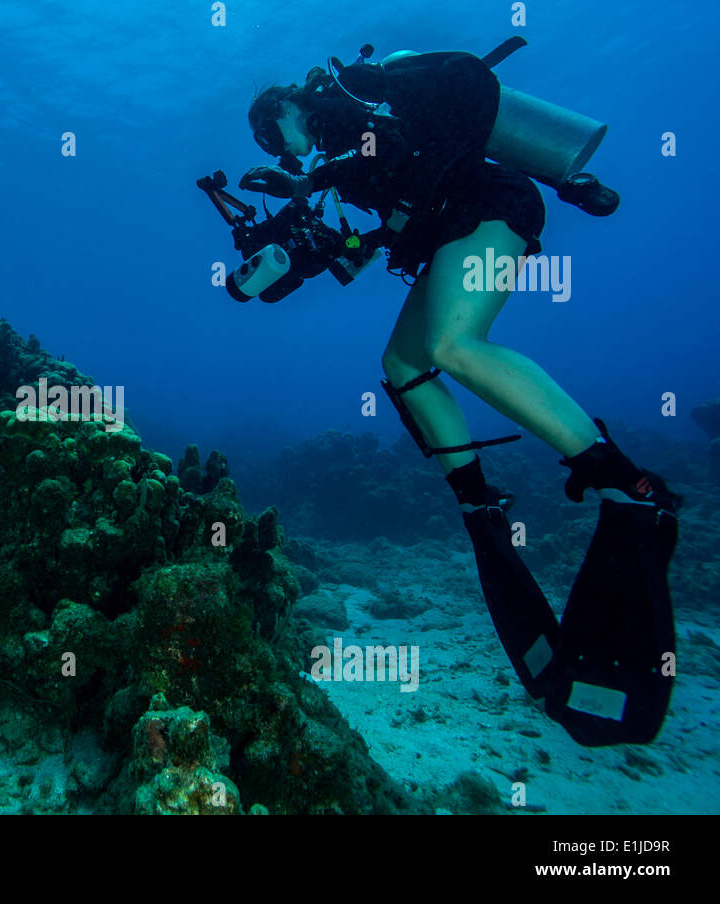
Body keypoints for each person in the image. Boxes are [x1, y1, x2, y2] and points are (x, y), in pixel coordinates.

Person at [240, 50, 679, 746]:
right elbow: (383, 222)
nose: (276, 148)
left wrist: (328, 158)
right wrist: (317, 243)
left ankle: (627, 483)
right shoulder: (345, 150)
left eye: (272, 134)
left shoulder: (355, 102)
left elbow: (434, 116)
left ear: (289, 107)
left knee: (450, 344)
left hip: (490, 207)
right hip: (452, 226)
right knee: (403, 364)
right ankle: (478, 502)